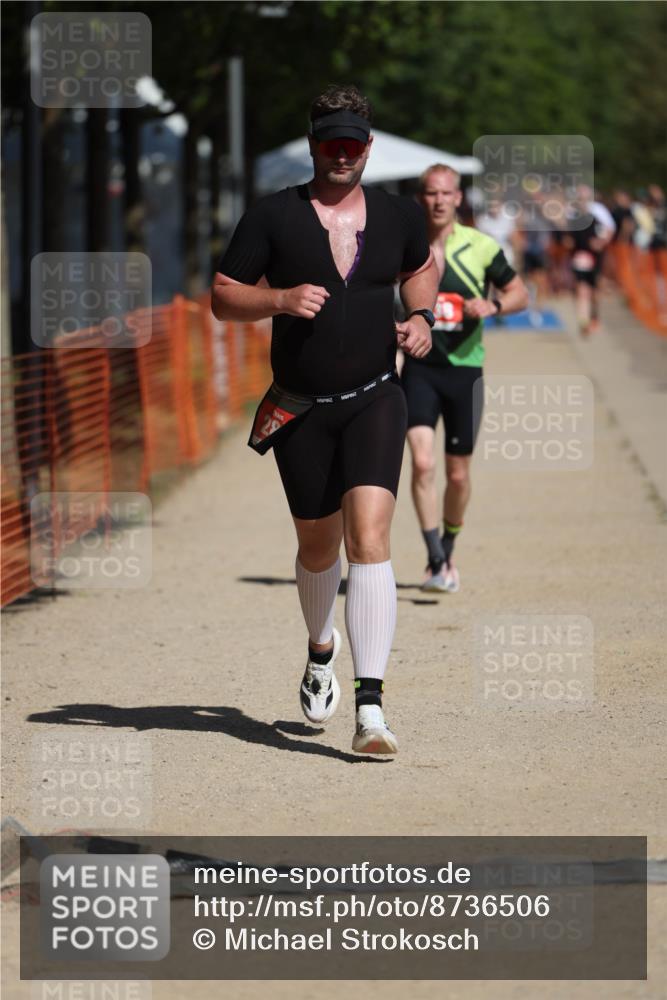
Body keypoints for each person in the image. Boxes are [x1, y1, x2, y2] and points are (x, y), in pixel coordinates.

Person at [211, 84, 438, 755]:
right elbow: (224, 297)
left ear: (367, 148)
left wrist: (421, 316)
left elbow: (421, 270)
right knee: (318, 547)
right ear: (314, 145)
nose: (342, 154)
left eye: (354, 144)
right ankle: (319, 649)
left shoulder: (397, 215)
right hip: (301, 407)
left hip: (376, 396)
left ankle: (370, 709)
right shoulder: (271, 217)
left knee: (370, 537)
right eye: (331, 143)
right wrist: (277, 298)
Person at [403, 164, 528, 593]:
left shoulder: (480, 246)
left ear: (459, 198)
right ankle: (435, 560)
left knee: (457, 475)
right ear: (421, 198)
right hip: (418, 369)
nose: (438, 201)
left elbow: (520, 294)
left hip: (465, 371)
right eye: (430, 193)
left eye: (446, 194)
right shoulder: (405, 245)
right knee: (422, 462)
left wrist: (491, 308)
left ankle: (449, 546)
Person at [565, 184, 616, 335]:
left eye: (584, 196)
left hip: (595, 257)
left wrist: (601, 243)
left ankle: (594, 315)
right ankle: (583, 321)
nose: (581, 199)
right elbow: (567, 232)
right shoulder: (571, 212)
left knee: (594, 289)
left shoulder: (598, 210)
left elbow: (609, 229)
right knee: (581, 288)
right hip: (579, 255)